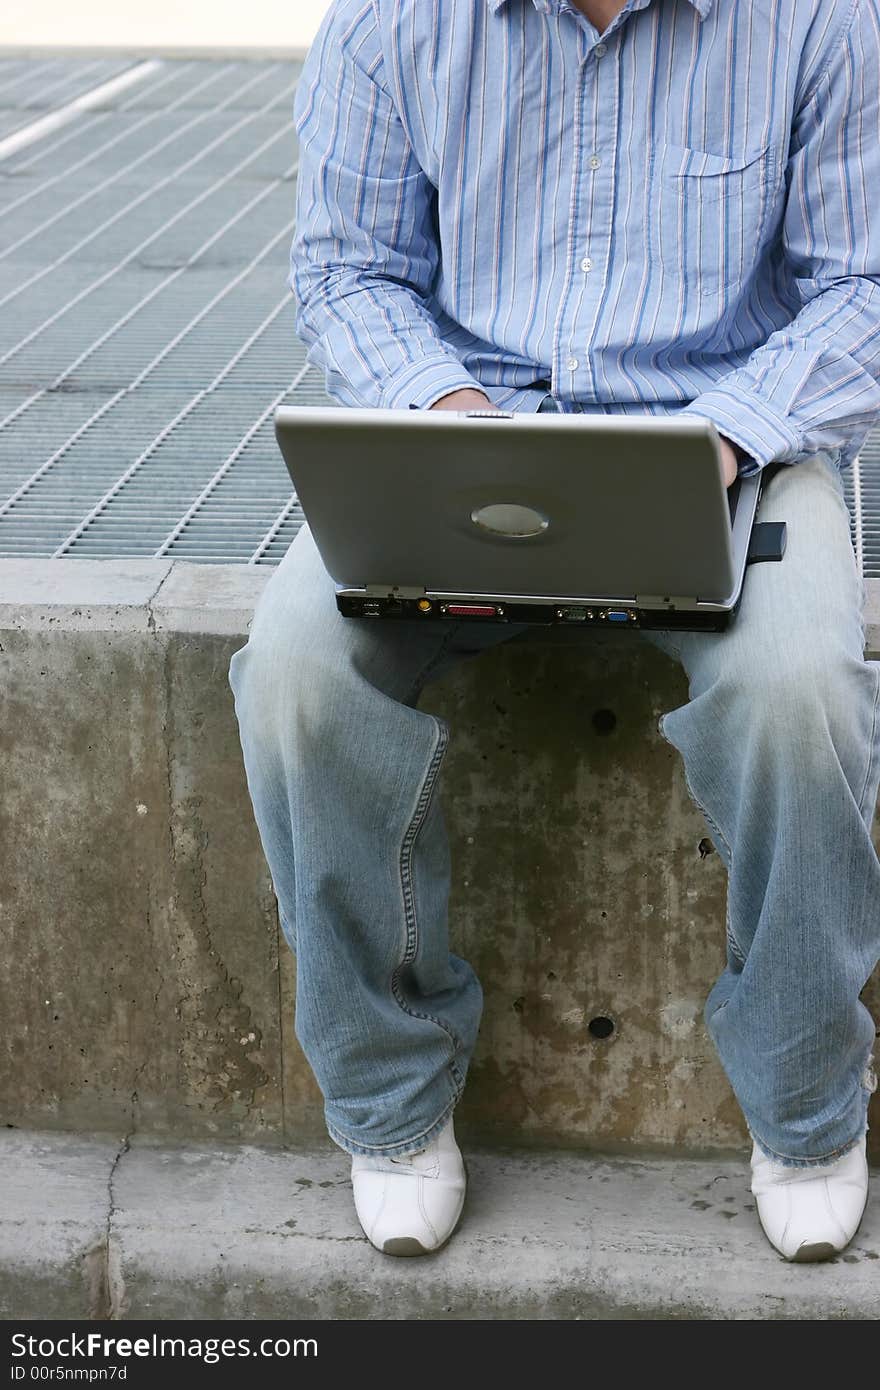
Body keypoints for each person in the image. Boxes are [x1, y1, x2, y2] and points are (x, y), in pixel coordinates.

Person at [228, 0, 880, 1263]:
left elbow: (864, 288)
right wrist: (452, 413)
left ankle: (806, 1112)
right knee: (301, 675)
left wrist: (727, 436)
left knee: (799, 687)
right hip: (452, 438)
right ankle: (390, 1102)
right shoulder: (385, 23)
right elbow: (344, 272)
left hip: (732, 437)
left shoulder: (822, 22)